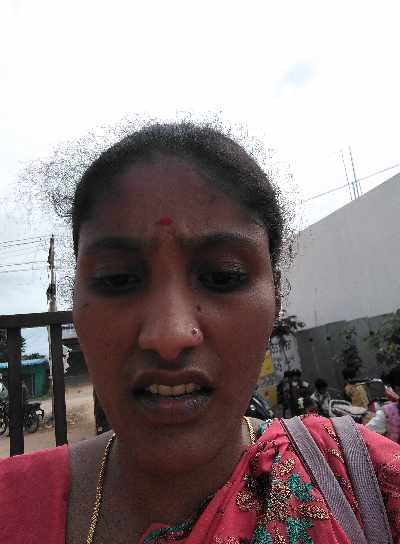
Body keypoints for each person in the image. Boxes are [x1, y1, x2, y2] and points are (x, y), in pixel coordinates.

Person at [1, 122, 400, 543]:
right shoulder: (11, 506)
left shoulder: (367, 484)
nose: (169, 336)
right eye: (116, 279)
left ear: (276, 298)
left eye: (223, 276)